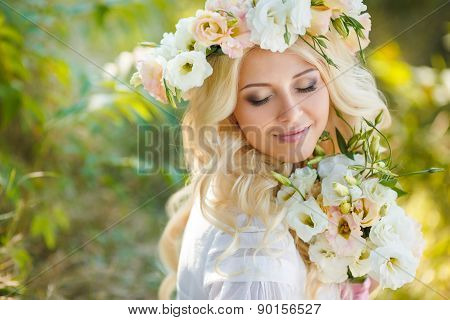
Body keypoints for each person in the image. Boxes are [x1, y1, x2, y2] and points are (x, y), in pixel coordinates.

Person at [134, 0, 391, 300]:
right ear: (229, 112)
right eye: (260, 98)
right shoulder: (259, 252)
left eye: (306, 86)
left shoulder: (261, 183)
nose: (292, 114)